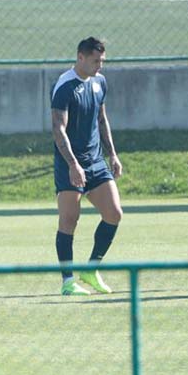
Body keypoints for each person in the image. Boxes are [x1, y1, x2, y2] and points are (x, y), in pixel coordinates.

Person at [51, 37, 124, 296]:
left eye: (102, 61)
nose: (99, 66)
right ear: (80, 57)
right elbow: (58, 129)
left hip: (96, 161)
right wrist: (72, 164)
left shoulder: (99, 82)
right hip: (70, 163)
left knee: (114, 213)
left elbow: (102, 119)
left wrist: (112, 155)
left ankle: (91, 270)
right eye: (95, 61)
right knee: (70, 219)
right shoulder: (64, 86)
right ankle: (67, 281)